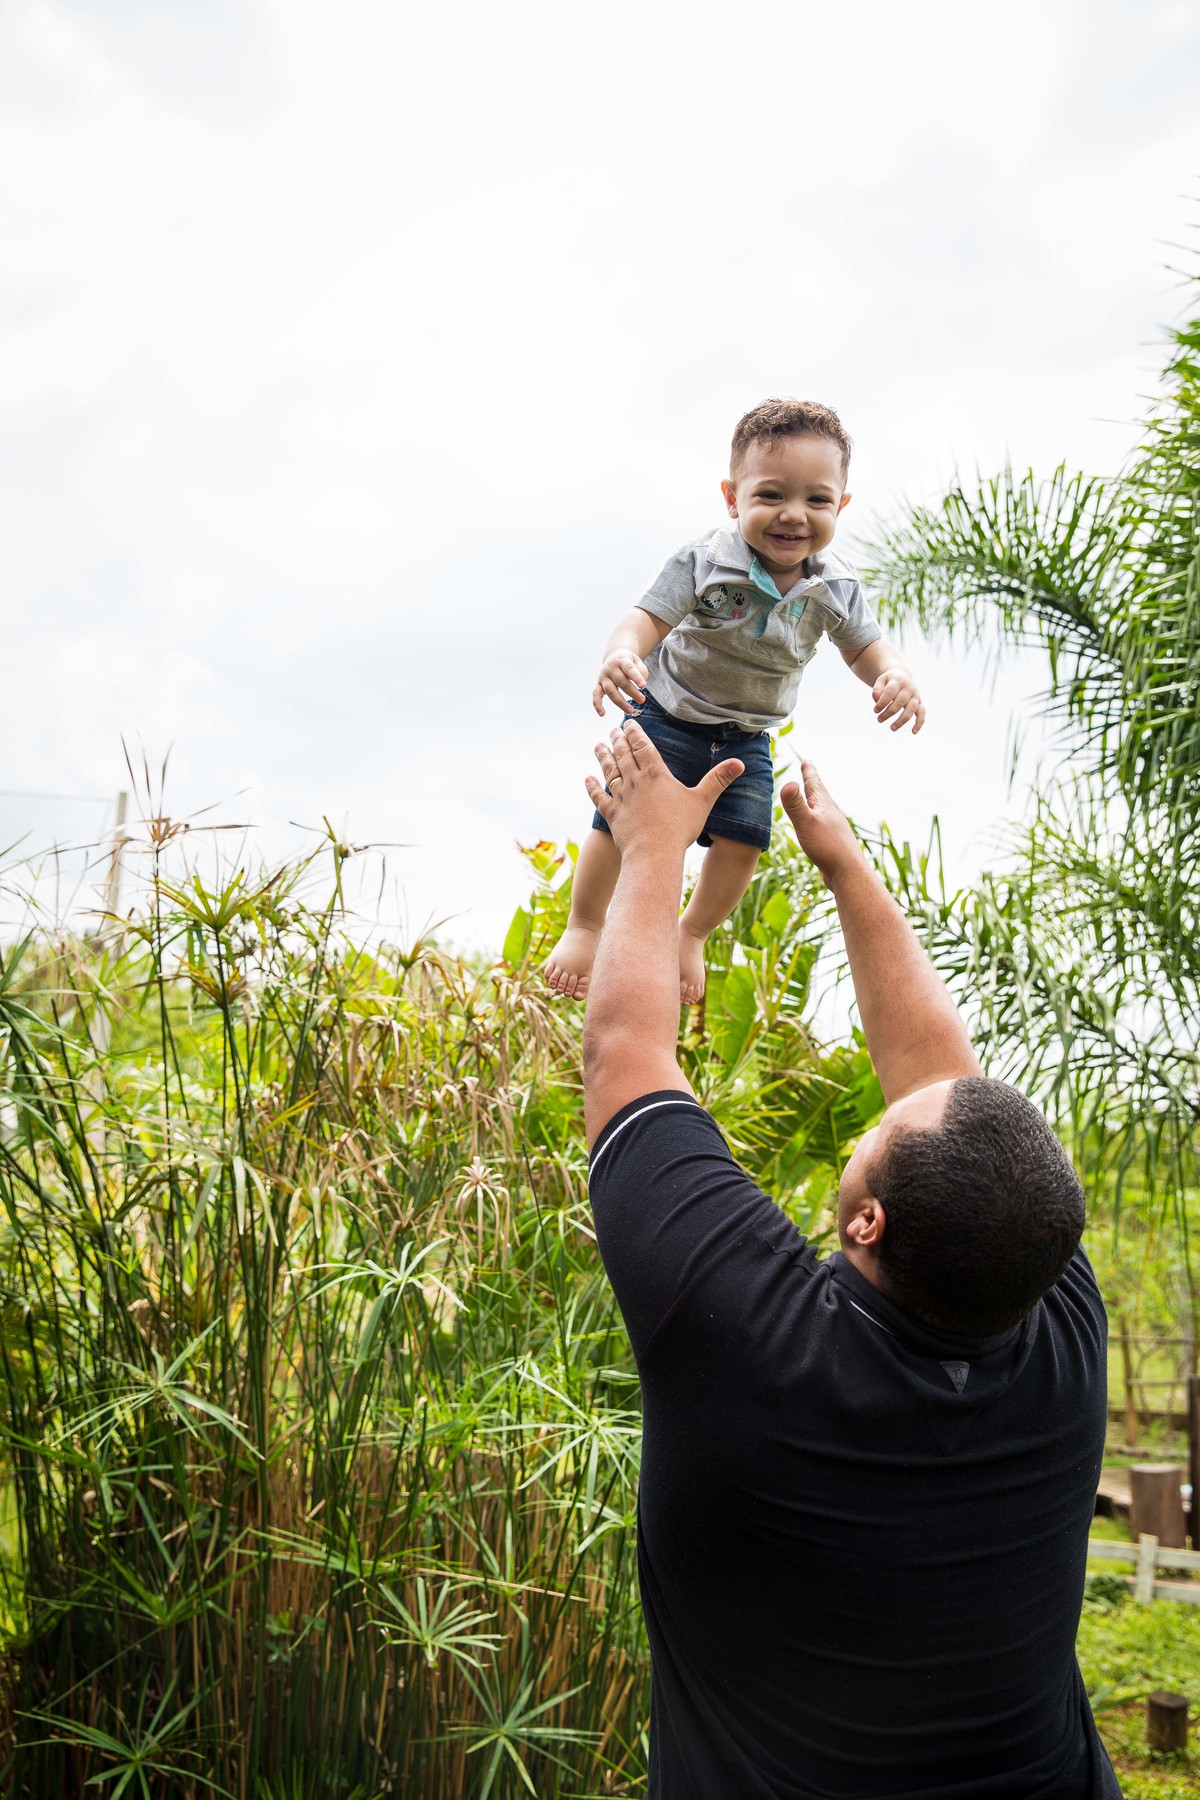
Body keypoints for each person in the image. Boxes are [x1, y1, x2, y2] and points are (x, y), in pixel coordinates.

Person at [581, 722, 1120, 1800]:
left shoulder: (748, 1336)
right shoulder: (1048, 1309)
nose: (888, 1105)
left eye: (881, 1130)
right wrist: (844, 863)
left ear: (866, 1222)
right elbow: (947, 1095)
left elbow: (625, 1053)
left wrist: (648, 847)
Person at [545, 398, 925, 1006]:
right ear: (732, 498)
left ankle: (691, 933)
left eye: (817, 499)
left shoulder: (837, 586)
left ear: (841, 505)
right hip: (666, 713)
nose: (794, 514)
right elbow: (645, 619)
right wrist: (622, 653)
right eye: (771, 495)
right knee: (616, 821)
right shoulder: (705, 562)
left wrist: (894, 674)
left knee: (745, 839)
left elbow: (865, 649)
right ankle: (585, 926)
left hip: (747, 735)